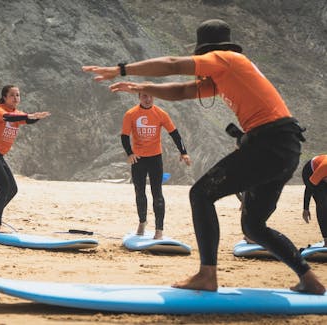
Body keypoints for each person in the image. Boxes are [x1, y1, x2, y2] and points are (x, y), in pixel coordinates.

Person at [82, 19, 325, 294]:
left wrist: (120, 69)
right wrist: (144, 87)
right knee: (254, 226)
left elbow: (173, 64)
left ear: (205, 52)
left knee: (201, 194)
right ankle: (309, 279)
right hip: (284, 147)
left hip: (270, 143)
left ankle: (207, 275)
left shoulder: (225, 59)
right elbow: (183, 90)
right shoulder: (225, 74)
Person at [0, 85, 50, 232]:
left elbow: (25, 120)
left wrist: (35, 117)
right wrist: (28, 116)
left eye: (18, 95)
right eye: (12, 95)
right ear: (4, 97)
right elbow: (8, 118)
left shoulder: (17, 113)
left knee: (13, 189)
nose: (16, 98)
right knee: (4, 186)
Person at [121, 89, 191, 238]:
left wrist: (183, 152)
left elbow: (175, 134)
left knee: (157, 193)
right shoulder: (131, 114)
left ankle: (159, 230)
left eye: (151, 96)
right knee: (139, 192)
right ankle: (142, 222)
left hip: (155, 159)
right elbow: (124, 136)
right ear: (139, 97)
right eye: (144, 96)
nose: (148, 99)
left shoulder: (160, 114)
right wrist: (130, 153)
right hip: (138, 159)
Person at [302, 154, 327, 247]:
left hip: (323, 174)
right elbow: (309, 188)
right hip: (310, 171)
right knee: (323, 204)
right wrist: (306, 208)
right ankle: (326, 240)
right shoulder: (324, 167)